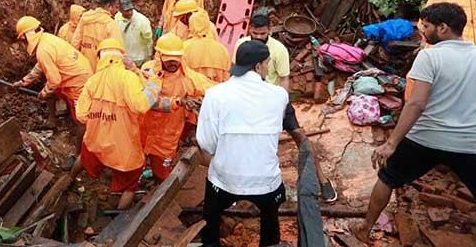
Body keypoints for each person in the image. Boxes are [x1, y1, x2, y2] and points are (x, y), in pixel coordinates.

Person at [352, 3, 476, 243]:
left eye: (427, 26)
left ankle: (365, 229)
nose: (422, 31)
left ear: (443, 28)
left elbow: (416, 104)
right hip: (469, 143)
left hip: (425, 138)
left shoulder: (429, 56)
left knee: (387, 178)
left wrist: (391, 143)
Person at [235, 14, 338, 202]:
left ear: (269, 31)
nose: (258, 36)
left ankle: (323, 180)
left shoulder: (278, 50)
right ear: (249, 29)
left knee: (300, 136)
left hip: (275, 100)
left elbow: (283, 79)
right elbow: (234, 71)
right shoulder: (241, 45)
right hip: (250, 101)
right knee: (245, 142)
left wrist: (281, 106)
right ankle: (240, 186)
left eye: (263, 33)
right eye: (255, 33)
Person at [198, 40, 289, 247]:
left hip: (225, 179)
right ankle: (269, 243)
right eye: (266, 64)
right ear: (258, 67)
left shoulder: (215, 95)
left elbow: (206, 143)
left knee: (211, 214)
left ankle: (210, 242)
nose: (267, 68)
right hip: (266, 181)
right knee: (269, 217)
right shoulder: (279, 96)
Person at [70, 38, 152, 210]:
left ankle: (69, 180)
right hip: (124, 145)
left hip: (96, 141)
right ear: (122, 56)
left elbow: (82, 116)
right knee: (130, 186)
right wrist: (152, 85)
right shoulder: (129, 78)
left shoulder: (93, 80)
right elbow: (142, 105)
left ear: (100, 57)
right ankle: (117, 219)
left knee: (84, 158)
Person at [140, 33, 214, 181]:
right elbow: (147, 102)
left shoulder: (188, 78)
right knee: (135, 167)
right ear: (159, 55)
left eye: (176, 59)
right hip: (143, 130)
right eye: (168, 59)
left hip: (167, 135)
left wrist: (198, 100)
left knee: (162, 173)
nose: (173, 63)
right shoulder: (148, 72)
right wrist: (178, 102)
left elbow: (212, 90)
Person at [14, 16, 92, 139]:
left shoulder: (43, 50)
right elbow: (41, 66)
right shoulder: (46, 39)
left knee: (80, 118)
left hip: (78, 81)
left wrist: (43, 93)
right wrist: (24, 81)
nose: (23, 42)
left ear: (27, 36)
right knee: (52, 92)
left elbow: (55, 81)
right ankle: (53, 121)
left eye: (23, 39)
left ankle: (82, 149)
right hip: (76, 73)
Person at [71, 0, 123, 71]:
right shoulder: (111, 24)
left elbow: (75, 42)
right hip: (102, 67)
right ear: (109, 6)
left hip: (85, 65)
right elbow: (118, 48)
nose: (117, 10)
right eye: (116, 7)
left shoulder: (85, 18)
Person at [184, 11, 230, 83]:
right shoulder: (223, 50)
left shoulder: (185, 47)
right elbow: (226, 80)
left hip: (194, 93)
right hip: (216, 92)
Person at [114, 0, 153, 67]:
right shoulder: (117, 18)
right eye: (126, 11)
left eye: (131, 10)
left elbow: (148, 39)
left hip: (139, 58)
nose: (130, 12)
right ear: (120, 10)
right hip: (124, 57)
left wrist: (149, 55)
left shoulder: (142, 20)